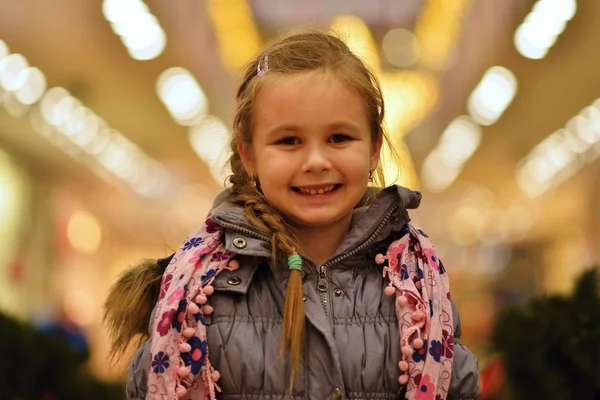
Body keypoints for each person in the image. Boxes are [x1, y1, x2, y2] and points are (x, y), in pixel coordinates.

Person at [104, 29, 480, 400]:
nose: (316, 161)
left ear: (373, 149)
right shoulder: (197, 293)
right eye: (289, 141)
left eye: (338, 138)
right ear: (249, 155)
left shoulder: (419, 287)